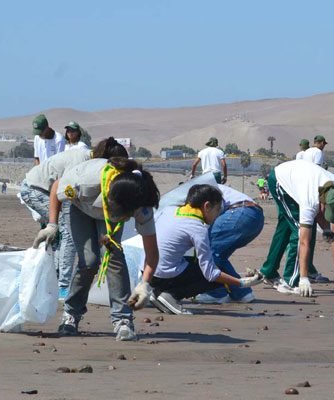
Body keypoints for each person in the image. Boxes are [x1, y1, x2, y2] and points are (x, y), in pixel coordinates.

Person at [33, 157, 160, 341]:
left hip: (111, 213)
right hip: (80, 206)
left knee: (113, 256)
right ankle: (71, 315)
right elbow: (56, 188)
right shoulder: (85, 181)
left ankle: (123, 320)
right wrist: (52, 225)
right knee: (88, 261)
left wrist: (144, 285)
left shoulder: (142, 206)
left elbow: (152, 253)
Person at [22, 138, 128, 300]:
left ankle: (54, 278)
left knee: (60, 237)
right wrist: (52, 224)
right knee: (65, 231)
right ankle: (63, 286)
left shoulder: (91, 161)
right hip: (37, 189)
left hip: (51, 189)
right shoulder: (82, 165)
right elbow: (60, 189)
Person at [131, 184, 262, 315]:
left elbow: (143, 230)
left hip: (147, 270)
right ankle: (171, 295)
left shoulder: (169, 209)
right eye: (217, 210)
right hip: (164, 276)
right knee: (217, 272)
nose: (217, 216)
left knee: (187, 262)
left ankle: (157, 291)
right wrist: (240, 283)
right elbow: (210, 273)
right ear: (207, 206)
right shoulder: (197, 228)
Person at [259, 160, 334, 297]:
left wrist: (326, 230)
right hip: (280, 180)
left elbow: (323, 209)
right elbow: (304, 241)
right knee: (298, 231)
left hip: (297, 178)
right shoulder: (310, 201)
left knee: (285, 227)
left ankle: (268, 271)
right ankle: (292, 280)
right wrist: (304, 279)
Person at [194, 184, 264, 304]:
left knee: (209, 251)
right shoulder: (204, 186)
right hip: (255, 216)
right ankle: (242, 293)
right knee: (219, 256)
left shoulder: (197, 193)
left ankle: (216, 294)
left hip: (240, 212)